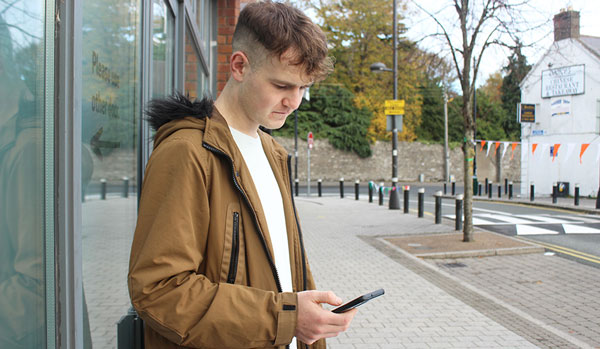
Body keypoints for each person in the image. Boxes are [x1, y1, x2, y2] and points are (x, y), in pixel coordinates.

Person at [128, 1, 357, 348]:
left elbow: (285, 272)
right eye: (282, 86)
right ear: (239, 65)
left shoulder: (273, 152)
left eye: (303, 88)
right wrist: (286, 317)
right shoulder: (187, 152)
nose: (294, 102)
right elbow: (158, 290)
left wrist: (306, 322)